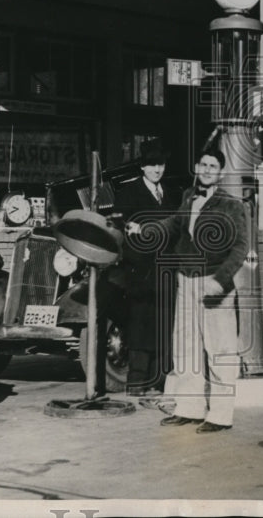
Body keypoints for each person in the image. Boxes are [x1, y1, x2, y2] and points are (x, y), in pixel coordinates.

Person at [127, 148, 247, 433]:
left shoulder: (232, 205)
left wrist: (220, 280)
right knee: (186, 347)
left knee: (219, 350)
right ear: (197, 167)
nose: (206, 170)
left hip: (214, 284)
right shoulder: (188, 197)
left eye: (213, 166)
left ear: (220, 173)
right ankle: (189, 408)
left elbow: (241, 247)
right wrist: (145, 231)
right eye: (203, 164)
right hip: (187, 280)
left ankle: (220, 415)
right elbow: (173, 224)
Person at [111, 139, 181, 397]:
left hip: (166, 270)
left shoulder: (171, 193)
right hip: (140, 271)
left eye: (160, 164)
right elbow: (122, 229)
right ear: (142, 167)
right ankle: (137, 381)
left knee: (164, 324)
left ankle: (161, 378)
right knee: (141, 325)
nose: (156, 169)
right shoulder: (128, 193)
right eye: (151, 164)